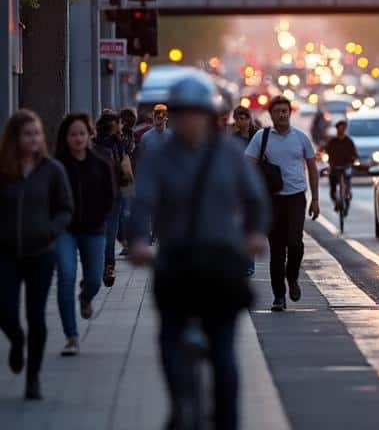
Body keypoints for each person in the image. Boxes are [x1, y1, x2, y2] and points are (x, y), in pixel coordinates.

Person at [128, 70, 269, 430]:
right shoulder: (159, 156)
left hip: (220, 264)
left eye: (196, 113)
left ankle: (227, 421)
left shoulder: (228, 154)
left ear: (209, 115)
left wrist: (255, 235)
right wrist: (138, 241)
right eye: (181, 113)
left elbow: (255, 199)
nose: (188, 120)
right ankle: (180, 403)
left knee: (223, 355)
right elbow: (142, 202)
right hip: (175, 263)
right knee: (170, 343)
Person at [0, 110, 73, 400]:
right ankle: (17, 339)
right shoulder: (4, 169)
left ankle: (33, 377)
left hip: (40, 252)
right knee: (5, 310)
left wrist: (50, 231)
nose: (34, 139)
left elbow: (65, 208)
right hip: (5, 253)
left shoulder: (52, 170)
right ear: (15, 138)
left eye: (37, 133)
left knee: (36, 315)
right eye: (27, 134)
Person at [244, 96, 319, 312]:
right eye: (277, 111)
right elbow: (247, 165)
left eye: (285, 111)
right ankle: (279, 296)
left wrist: (315, 199)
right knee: (277, 250)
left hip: (296, 198)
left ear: (290, 113)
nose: (282, 114)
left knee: (295, 243)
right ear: (271, 114)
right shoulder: (262, 137)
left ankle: (292, 276)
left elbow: (312, 167)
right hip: (272, 200)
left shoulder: (300, 138)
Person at [52, 114, 115, 357]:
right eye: (73, 134)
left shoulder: (100, 163)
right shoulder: (57, 165)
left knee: (94, 280)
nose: (78, 138)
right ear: (65, 138)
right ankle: (71, 336)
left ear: (90, 135)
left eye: (82, 133)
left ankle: (86, 297)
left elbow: (110, 196)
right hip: (65, 230)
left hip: (94, 229)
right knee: (66, 276)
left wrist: (100, 217)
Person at [94, 112, 134, 287]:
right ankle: (108, 266)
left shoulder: (95, 144)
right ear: (113, 125)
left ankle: (104, 265)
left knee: (103, 232)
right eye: (119, 123)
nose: (122, 126)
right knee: (109, 231)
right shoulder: (118, 144)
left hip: (103, 195)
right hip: (112, 194)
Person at [324, 120, 358, 211]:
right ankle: (336, 200)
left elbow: (354, 154)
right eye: (339, 128)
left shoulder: (349, 142)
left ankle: (347, 194)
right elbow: (326, 151)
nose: (341, 130)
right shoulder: (332, 142)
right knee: (333, 185)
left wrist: (352, 161)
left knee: (347, 180)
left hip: (346, 166)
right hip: (335, 166)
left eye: (343, 128)